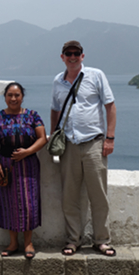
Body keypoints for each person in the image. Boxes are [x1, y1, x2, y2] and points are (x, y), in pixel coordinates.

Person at [50, 40, 117, 257]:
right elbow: (55, 110)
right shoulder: (58, 81)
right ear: (62, 57)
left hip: (94, 143)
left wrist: (110, 138)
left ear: (82, 56)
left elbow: (110, 106)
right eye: (68, 53)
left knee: (98, 195)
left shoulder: (96, 75)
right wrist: (54, 136)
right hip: (69, 144)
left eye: (76, 53)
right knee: (70, 197)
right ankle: (73, 240)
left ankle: (102, 240)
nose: (72, 57)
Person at [0, 82, 47, 259]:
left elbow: (42, 138)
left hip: (28, 165)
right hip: (5, 165)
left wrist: (27, 152)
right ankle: (13, 243)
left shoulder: (33, 115)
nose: (13, 98)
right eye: (10, 95)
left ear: (22, 97)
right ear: (5, 97)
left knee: (29, 203)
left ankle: (28, 243)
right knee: (8, 203)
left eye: (17, 95)